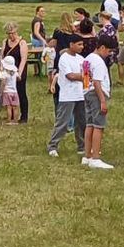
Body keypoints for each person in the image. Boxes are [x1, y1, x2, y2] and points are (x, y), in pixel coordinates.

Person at [48, 30, 86, 158]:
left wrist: (84, 77)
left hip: (80, 94)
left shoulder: (81, 59)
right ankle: (53, 146)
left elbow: (87, 74)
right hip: (67, 96)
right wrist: (83, 76)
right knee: (63, 123)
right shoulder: (64, 59)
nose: (81, 47)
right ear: (71, 44)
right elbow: (70, 76)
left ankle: (82, 146)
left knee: (82, 122)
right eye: (79, 44)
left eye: (82, 44)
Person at [81, 35, 114, 169]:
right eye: (109, 51)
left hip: (87, 92)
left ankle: (87, 155)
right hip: (96, 94)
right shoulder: (99, 62)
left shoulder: (87, 59)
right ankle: (95, 158)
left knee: (89, 124)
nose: (109, 54)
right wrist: (102, 101)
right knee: (98, 126)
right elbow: (96, 82)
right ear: (102, 47)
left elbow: (85, 79)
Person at [1, 23, 29, 123]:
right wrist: (2, 68)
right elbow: (2, 56)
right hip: (7, 72)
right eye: (8, 33)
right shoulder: (5, 42)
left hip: (18, 70)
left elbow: (23, 59)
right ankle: (11, 115)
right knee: (9, 92)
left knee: (21, 92)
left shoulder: (22, 43)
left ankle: (24, 116)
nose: (11, 36)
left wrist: (19, 73)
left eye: (12, 33)